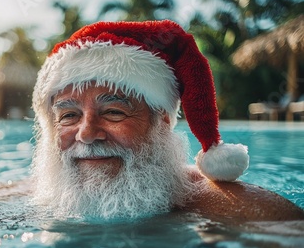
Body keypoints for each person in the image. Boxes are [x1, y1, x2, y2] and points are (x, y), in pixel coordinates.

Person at [30, 20, 304, 221]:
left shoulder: (227, 207)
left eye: (114, 112)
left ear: (161, 121)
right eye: (69, 115)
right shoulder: (41, 194)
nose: (86, 134)